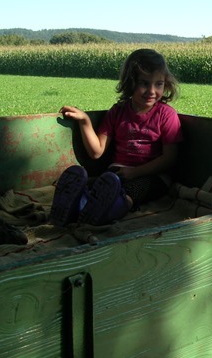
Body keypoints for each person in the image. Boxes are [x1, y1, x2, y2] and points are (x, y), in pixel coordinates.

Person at [49, 48, 184, 226]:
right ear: (131, 83)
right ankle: (74, 208)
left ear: (165, 84)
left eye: (158, 84)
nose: (151, 91)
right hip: (116, 174)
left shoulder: (166, 115)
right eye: (144, 83)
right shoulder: (117, 112)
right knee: (100, 186)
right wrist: (85, 121)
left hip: (153, 175)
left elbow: (170, 158)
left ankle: (104, 214)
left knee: (131, 192)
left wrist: (135, 172)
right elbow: (96, 152)